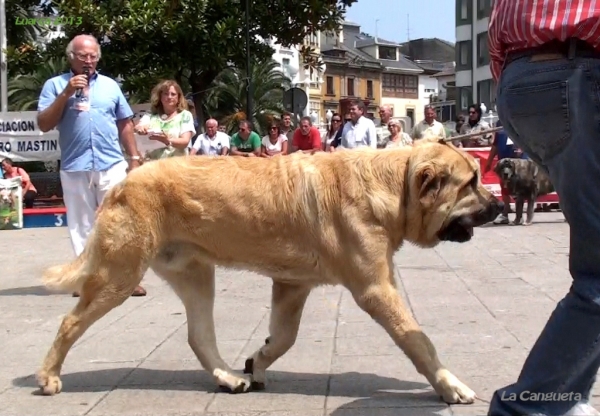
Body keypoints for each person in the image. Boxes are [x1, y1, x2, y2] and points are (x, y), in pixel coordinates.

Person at [488, 2, 600, 415]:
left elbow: (496, 31)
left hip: (522, 79)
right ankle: (526, 408)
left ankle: (568, 402)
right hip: (577, 72)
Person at [37, 34, 146, 297]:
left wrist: (133, 158)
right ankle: (87, 279)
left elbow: (124, 123)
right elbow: (44, 123)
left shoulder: (110, 86)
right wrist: (66, 92)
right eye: (83, 56)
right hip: (76, 165)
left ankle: (124, 278)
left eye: (93, 56)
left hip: (111, 163)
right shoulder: (55, 85)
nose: (89, 61)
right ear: (71, 57)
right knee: (81, 223)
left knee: (120, 220)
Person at [134, 80, 195, 160]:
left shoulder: (185, 115)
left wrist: (167, 140)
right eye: (166, 94)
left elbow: (185, 141)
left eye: (173, 94)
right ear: (160, 97)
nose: (169, 97)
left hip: (177, 165)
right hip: (153, 166)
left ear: (178, 97)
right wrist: (140, 128)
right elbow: (138, 127)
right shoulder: (151, 115)